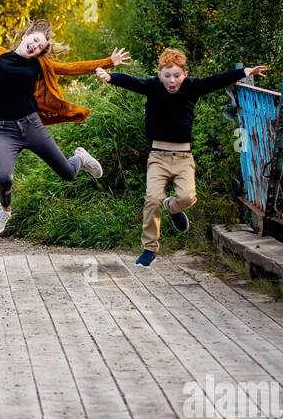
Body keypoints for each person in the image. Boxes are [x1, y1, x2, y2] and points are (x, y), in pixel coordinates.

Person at [0, 0, 129, 234]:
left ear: (41, 51)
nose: (34, 46)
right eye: (34, 40)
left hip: (32, 127)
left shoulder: (39, 66)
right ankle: (5, 210)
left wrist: (108, 62)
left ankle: (80, 158)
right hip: (5, 130)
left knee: (68, 174)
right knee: (4, 178)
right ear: (25, 36)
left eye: (40, 46)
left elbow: (73, 67)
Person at [96, 48, 270, 265]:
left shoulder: (191, 87)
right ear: (159, 75)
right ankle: (150, 248)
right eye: (167, 75)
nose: (172, 80)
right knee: (152, 199)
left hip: (183, 157)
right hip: (158, 157)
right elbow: (132, 82)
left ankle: (172, 207)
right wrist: (110, 76)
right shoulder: (153, 87)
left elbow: (216, 80)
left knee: (188, 198)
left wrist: (246, 71)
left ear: (185, 75)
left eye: (177, 76)